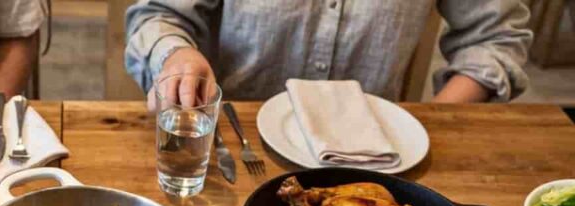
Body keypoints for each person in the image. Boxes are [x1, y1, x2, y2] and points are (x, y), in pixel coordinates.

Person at [125, 0, 533, 107]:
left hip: (379, 164)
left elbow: (498, 37)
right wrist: (176, 55)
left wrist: (432, 121)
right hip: (234, 148)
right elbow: (159, 15)